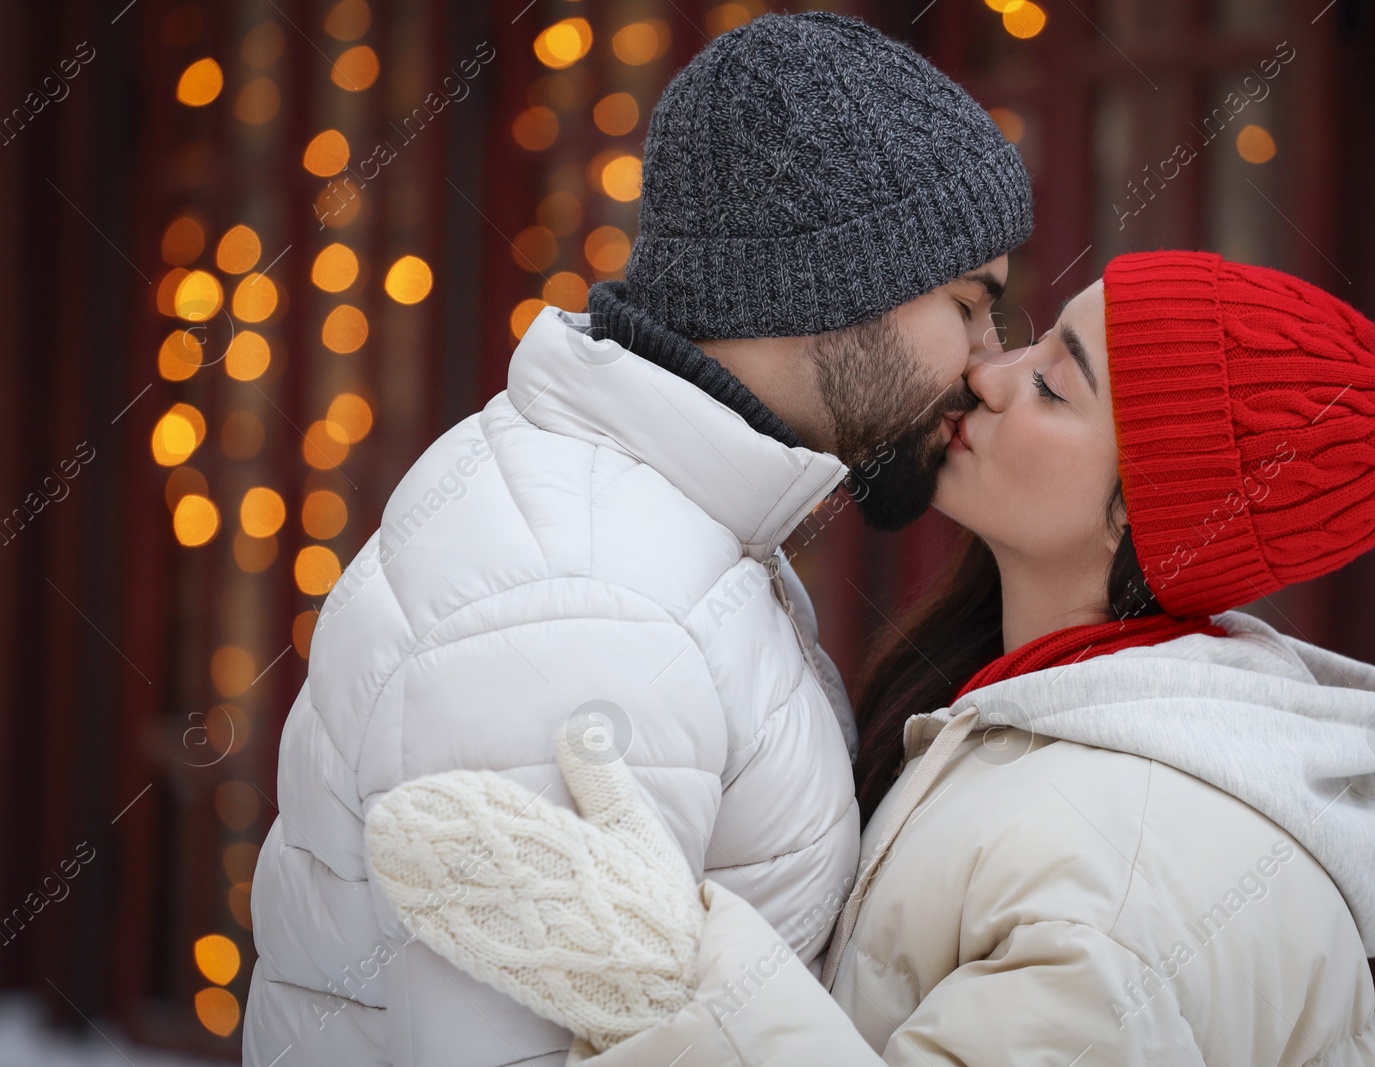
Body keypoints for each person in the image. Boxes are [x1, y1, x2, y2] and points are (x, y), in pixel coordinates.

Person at [365, 251, 1375, 1065]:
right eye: (1027, 336)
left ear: (1145, 515)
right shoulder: (1020, 719)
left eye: (1052, 384)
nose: (989, 373)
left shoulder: (1128, 864)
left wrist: (665, 973)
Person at [241, 12, 1033, 1066]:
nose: (988, 362)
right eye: (970, 303)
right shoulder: (583, 600)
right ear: (830, 288)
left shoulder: (672, 531)